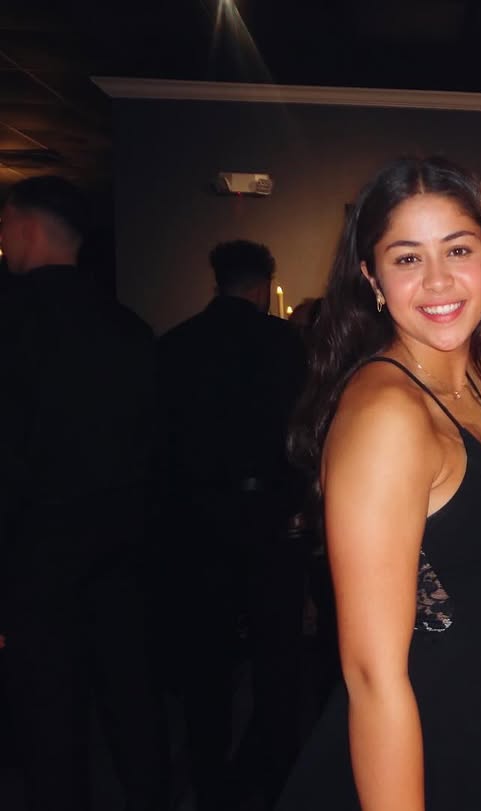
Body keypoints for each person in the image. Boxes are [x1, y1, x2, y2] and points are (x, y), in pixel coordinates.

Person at [278, 156, 481, 811]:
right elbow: (372, 675)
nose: (438, 280)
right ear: (372, 278)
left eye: (458, 249)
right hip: (419, 746)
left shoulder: (475, 383)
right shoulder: (388, 412)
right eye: (406, 258)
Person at [0, 176, 168, 811]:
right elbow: (157, 447)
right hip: (122, 548)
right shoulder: (129, 328)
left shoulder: (12, 321)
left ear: (26, 227)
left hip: (36, 553)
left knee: (49, 721)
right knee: (132, 701)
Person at [156, 239, 308, 810]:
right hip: (271, 517)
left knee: (207, 659)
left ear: (217, 280)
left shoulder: (176, 346)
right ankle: (277, 775)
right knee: (278, 658)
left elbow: (162, 445)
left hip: (200, 519)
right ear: (264, 285)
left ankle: (209, 781)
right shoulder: (285, 344)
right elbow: (305, 434)